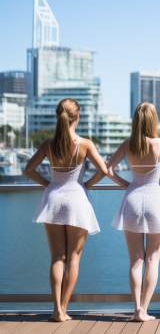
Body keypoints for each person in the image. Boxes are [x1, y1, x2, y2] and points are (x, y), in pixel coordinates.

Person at [25, 98, 107, 322]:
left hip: (53, 198)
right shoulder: (85, 144)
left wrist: (48, 184)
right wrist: (87, 184)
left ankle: (56, 311)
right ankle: (63, 308)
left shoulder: (47, 145)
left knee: (56, 258)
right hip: (76, 199)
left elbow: (28, 170)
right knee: (73, 258)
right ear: (77, 117)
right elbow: (104, 171)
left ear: (57, 116)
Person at [105, 103, 160, 322]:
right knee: (153, 259)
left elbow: (108, 169)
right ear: (154, 120)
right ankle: (144, 309)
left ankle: (136, 311)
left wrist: (126, 184)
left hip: (132, 198)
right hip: (156, 199)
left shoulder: (127, 145)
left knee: (135, 260)